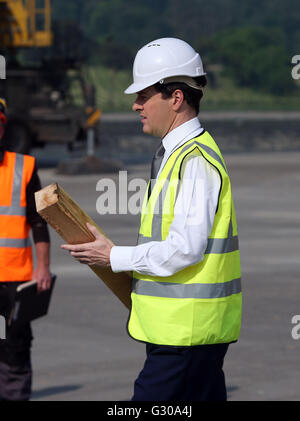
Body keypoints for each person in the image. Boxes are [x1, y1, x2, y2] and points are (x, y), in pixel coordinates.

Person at [61, 38, 242, 401]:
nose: (136, 105)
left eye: (143, 96)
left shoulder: (193, 162)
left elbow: (185, 250)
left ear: (175, 98)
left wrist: (112, 256)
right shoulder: (177, 156)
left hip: (185, 337)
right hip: (185, 333)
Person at [0, 98, 52, 401]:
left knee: (14, 352)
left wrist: (42, 267)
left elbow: (40, 221)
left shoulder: (25, 166)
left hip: (16, 282)